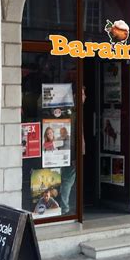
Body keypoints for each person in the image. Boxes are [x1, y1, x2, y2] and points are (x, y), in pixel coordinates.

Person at [60, 85, 85, 215]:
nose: (85, 97)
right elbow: (73, 137)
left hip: (71, 152)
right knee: (68, 179)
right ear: (75, 96)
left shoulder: (75, 111)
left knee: (68, 179)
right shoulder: (73, 113)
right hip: (71, 152)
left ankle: (65, 206)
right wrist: (75, 155)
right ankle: (64, 207)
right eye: (82, 94)